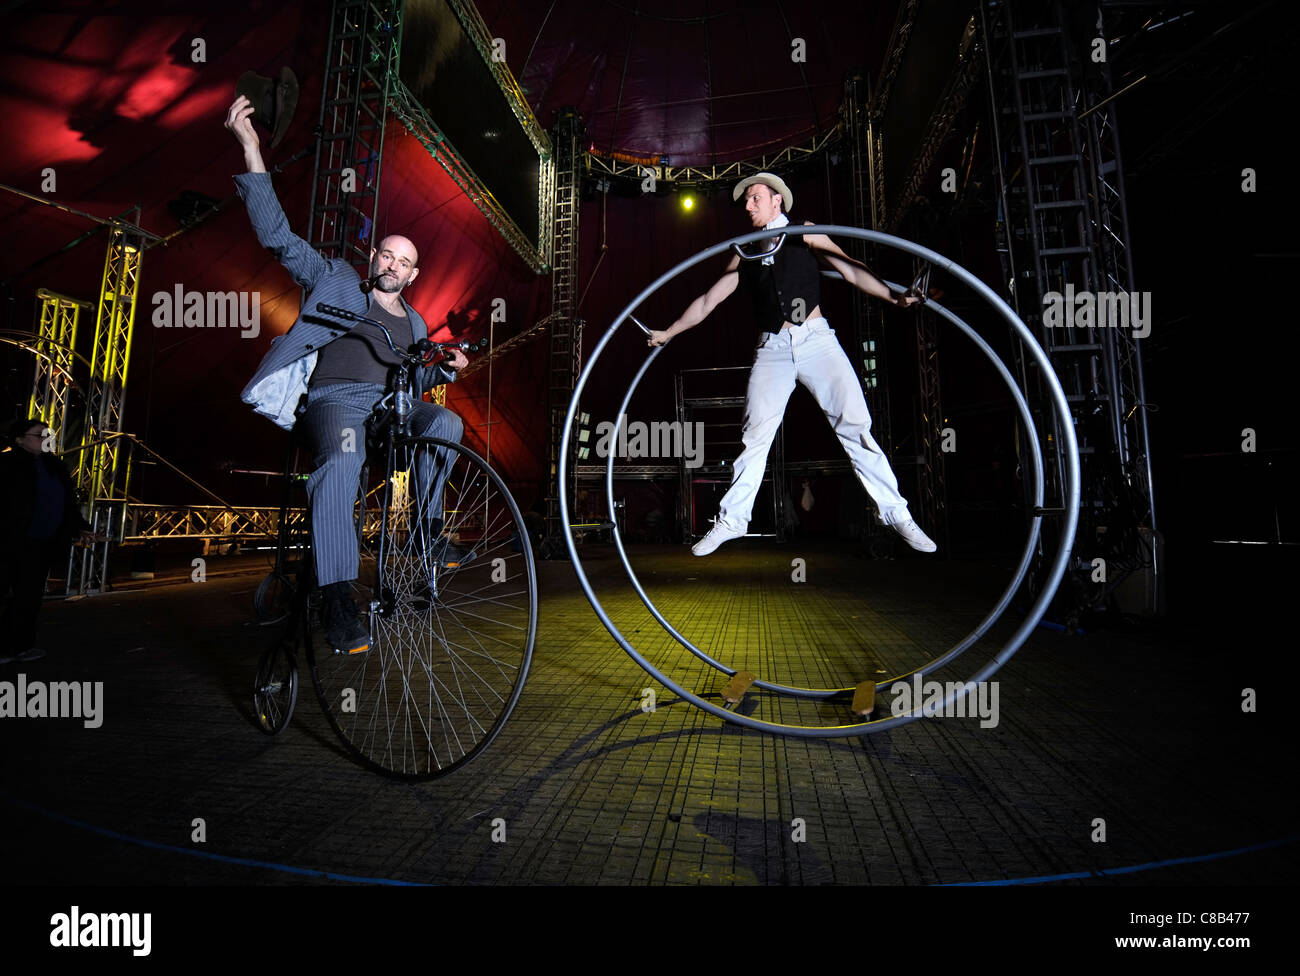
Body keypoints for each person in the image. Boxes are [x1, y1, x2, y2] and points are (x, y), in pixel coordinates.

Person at [225, 94, 468, 654]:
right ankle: (336, 598)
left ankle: (427, 534)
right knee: (342, 457)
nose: (392, 264)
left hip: (389, 409)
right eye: (387, 254)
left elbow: (415, 382)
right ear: (374, 257)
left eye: (403, 261)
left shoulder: (416, 323)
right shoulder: (335, 279)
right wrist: (252, 150)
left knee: (446, 424)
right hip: (337, 401)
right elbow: (279, 236)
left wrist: (446, 370)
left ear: (412, 275)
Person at [647, 172, 937, 556]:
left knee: (855, 425)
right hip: (772, 349)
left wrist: (893, 296)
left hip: (816, 340)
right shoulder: (745, 249)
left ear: (776, 201)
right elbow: (708, 300)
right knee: (754, 435)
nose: (748, 205)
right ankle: (733, 520)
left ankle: (896, 513)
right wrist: (668, 332)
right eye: (746, 200)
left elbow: (849, 268)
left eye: (755, 197)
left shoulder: (804, 232)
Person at [0, 418, 94, 664]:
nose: (45, 439)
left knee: (28, 598)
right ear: (20, 439)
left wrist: (80, 526)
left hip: (41, 543)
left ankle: (19, 647)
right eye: (39, 435)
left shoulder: (55, 467)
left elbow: (67, 504)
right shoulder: (7, 465)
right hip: (10, 542)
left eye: (48, 435)